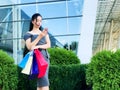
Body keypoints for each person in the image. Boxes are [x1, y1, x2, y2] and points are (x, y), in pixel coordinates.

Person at [23, 13, 51, 90]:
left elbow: (48, 45)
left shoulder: (44, 32)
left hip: (45, 58)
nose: (39, 23)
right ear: (32, 21)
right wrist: (39, 37)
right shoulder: (28, 34)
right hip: (36, 59)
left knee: (42, 81)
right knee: (43, 80)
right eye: (37, 20)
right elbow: (29, 47)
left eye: (40, 21)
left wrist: (38, 46)